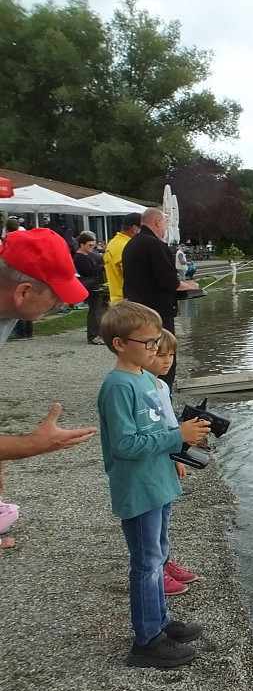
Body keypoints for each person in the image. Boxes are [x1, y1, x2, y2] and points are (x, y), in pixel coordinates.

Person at [97, 301, 211, 668]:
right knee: (146, 563)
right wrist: (177, 436)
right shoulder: (118, 387)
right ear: (119, 344)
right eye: (148, 342)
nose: (154, 348)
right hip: (139, 486)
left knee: (159, 554)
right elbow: (125, 445)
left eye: (157, 340)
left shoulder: (148, 379)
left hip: (159, 479)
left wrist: (178, 450)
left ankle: (160, 621)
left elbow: (160, 429)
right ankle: (146, 640)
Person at [0, 229, 97, 542]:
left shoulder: (10, 309)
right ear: (23, 292)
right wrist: (35, 444)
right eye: (54, 297)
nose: (60, 304)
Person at [147, 329, 200, 595]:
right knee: (153, 520)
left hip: (166, 455)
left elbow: (170, 425)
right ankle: (155, 567)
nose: (167, 361)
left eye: (171, 355)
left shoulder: (162, 385)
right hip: (150, 464)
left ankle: (164, 560)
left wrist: (177, 456)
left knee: (165, 515)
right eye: (160, 354)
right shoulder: (142, 390)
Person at [121, 208, 198, 387]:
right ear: (157, 222)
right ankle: (163, 401)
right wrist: (190, 285)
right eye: (164, 223)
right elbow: (169, 281)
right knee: (162, 358)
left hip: (136, 310)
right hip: (157, 313)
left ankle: (144, 395)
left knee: (143, 356)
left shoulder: (131, 244)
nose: (165, 227)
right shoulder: (156, 245)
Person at [74, 231, 108, 345]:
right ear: (82, 245)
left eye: (93, 246)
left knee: (101, 309)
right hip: (90, 285)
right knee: (95, 310)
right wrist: (103, 266)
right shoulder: (79, 258)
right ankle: (93, 335)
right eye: (89, 245)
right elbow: (88, 272)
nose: (91, 248)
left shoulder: (90, 255)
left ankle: (100, 333)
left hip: (96, 284)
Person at [103, 214, 141, 306]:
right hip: (127, 300)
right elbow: (133, 275)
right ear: (135, 228)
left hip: (115, 297)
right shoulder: (127, 246)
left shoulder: (112, 243)